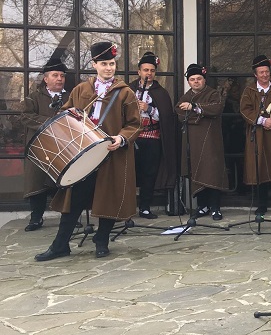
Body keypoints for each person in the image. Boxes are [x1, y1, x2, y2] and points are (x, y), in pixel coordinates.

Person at [34, 41, 141, 261]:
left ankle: (102, 241)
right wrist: (70, 114)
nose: (109, 68)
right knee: (74, 199)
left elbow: (134, 124)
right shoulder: (81, 89)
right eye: (104, 64)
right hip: (84, 153)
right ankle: (60, 245)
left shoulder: (125, 93)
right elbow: (65, 115)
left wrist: (121, 138)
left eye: (112, 63)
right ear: (94, 65)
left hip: (111, 153)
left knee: (108, 198)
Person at [18, 55, 69, 231]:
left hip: (63, 148)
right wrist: (50, 122)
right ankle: (36, 218)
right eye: (55, 75)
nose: (59, 79)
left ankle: (68, 218)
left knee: (64, 183)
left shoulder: (71, 97)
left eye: (62, 76)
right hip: (39, 147)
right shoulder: (33, 98)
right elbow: (26, 116)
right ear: (46, 79)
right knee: (37, 182)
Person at [239, 55, 271, 218]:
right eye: (261, 72)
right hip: (258, 135)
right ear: (255, 74)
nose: (265, 75)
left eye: (267, 72)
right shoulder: (249, 91)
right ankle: (262, 205)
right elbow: (245, 110)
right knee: (259, 168)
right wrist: (261, 120)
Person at [176, 64, 227, 221]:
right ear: (188, 82)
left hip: (210, 141)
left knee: (212, 172)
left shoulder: (213, 94)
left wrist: (194, 108)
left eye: (199, 78)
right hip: (192, 143)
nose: (196, 82)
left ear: (204, 80)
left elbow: (216, 109)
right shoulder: (185, 97)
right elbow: (180, 114)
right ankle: (202, 206)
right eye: (192, 79)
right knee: (196, 172)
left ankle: (215, 207)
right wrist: (201, 115)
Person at [130, 52, 177, 220]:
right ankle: (127, 208)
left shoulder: (161, 93)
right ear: (139, 72)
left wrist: (148, 109)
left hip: (152, 138)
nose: (148, 73)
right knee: (130, 173)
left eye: (152, 70)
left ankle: (144, 207)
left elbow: (166, 116)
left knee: (149, 174)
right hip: (132, 138)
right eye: (145, 70)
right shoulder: (129, 90)